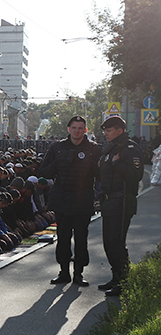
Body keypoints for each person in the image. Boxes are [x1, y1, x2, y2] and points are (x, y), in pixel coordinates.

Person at [37, 116, 101, 286]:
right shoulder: (57, 148)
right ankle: (63, 271)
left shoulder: (94, 149)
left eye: (81, 128)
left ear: (85, 130)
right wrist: (59, 162)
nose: (77, 131)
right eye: (74, 128)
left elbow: (102, 175)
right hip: (62, 199)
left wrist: (90, 164)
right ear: (68, 129)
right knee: (63, 237)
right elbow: (44, 172)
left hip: (83, 199)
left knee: (81, 238)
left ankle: (78, 273)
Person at [97, 115, 144, 296]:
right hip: (109, 201)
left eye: (109, 131)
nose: (106, 134)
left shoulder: (130, 149)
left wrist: (118, 164)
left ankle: (124, 280)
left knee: (117, 242)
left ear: (120, 130)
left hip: (122, 200)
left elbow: (136, 174)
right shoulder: (110, 149)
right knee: (108, 243)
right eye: (105, 131)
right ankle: (116, 277)